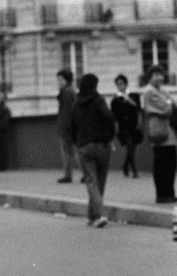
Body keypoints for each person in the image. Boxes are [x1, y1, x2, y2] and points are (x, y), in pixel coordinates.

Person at [71, 73, 115, 228]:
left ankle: (95, 215)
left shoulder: (75, 105)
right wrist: (110, 136)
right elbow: (109, 118)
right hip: (103, 145)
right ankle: (96, 215)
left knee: (91, 182)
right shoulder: (99, 101)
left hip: (84, 146)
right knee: (100, 182)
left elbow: (72, 128)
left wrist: (77, 143)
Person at [143, 65, 177, 204]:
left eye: (161, 74)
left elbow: (175, 104)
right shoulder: (150, 91)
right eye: (156, 75)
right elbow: (167, 109)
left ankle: (169, 193)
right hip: (159, 130)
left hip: (168, 131)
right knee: (162, 163)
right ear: (150, 77)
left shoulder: (161, 90)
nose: (159, 77)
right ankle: (162, 194)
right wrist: (170, 102)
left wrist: (170, 101)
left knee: (171, 162)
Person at [110, 74, 142, 178]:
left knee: (132, 148)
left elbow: (139, 109)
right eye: (118, 84)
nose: (120, 86)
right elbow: (114, 115)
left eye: (122, 83)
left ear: (126, 84)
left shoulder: (134, 95)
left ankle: (125, 166)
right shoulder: (115, 99)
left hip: (134, 124)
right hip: (123, 125)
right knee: (129, 146)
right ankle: (134, 170)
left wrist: (139, 121)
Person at [56, 69, 79, 184]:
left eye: (61, 79)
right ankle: (85, 173)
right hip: (71, 126)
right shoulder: (71, 91)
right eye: (58, 80)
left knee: (68, 152)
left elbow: (65, 112)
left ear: (67, 80)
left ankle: (68, 175)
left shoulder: (66, 92)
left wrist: (64, 128)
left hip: (66, 128)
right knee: (74, 151)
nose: (59, 82)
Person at [0, 92, 12, 171]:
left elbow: (6, 120)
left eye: (1, 97)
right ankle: (0, 166)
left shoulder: (4, 108)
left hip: (1, 131)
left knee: (1, 149)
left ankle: (1, 166)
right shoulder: (2, 108)